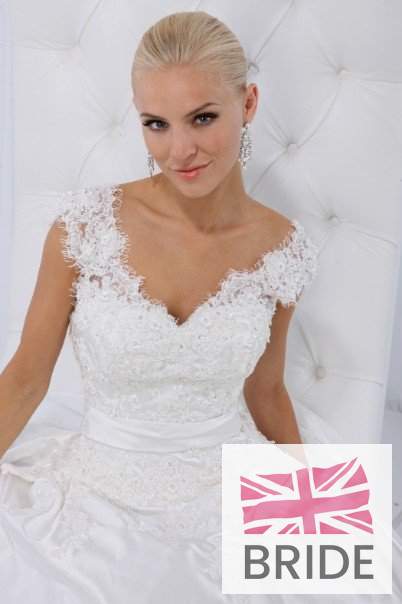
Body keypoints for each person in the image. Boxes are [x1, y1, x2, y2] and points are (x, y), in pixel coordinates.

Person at [0, 10, 400, 604]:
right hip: (95, 491)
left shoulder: (283, 248)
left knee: (344, 580)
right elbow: (26, 378)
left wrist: (311, 501)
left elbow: (266, 390)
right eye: (156, 124)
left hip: (225, 487)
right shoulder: (84, 226)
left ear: (249, 103)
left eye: (203, 117)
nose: (179, 150)